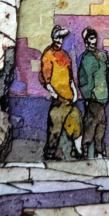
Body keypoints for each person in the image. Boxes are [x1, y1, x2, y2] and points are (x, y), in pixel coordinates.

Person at [39, 25, 84, 160]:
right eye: (57, 37)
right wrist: (54, 93)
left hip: (69, 99)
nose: (59, 40)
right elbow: (46, 77)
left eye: (61, 37)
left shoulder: (65, 55)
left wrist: (74, 92)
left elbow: (69, 77)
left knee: (77, 122)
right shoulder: (48, 54)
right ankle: (50, 154)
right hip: (58, 100)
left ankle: (78, 151)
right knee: (55, 128)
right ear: (53, 38)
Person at [78, 27, 109, 158]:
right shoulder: (86, 59)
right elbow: (83, 80)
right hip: (93, 98)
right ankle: (89, 150)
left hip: (103, 97)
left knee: (99, 123)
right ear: (86, 41)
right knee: (93, 123)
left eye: (94, 39)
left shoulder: (102, 55)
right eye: (90, 39)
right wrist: (88, 97)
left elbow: (107, 74)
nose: (93, 42)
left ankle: (96, 150)